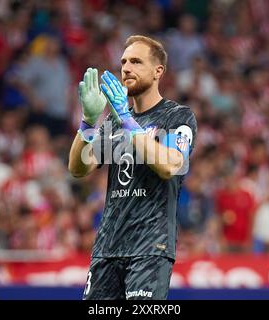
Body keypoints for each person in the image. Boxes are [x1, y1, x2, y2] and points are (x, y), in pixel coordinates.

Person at [68, 35, 197, 300]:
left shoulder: (177, 116)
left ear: (157, 71)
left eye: (136, 62)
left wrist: (126, 119)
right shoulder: (114, 123)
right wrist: (88, 122)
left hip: (150, 248)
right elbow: (79, 168)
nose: (126, 68)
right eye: (124, 62)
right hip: (108, 247)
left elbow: (169, 165)